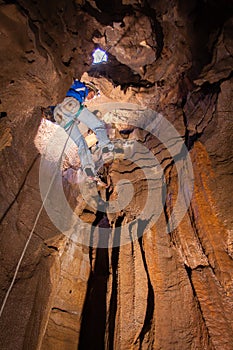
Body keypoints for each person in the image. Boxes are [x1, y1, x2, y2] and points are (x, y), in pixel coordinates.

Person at [49, 79, 114, 178]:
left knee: (81, 143)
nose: (91, 97)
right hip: (69, 104)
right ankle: (106, 148)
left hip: (58, 115)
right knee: (98, 125)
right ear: (89, 88)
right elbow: (72, 84)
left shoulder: (79, 96)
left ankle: (88, 168)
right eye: (92, 94)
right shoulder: (82, 87)